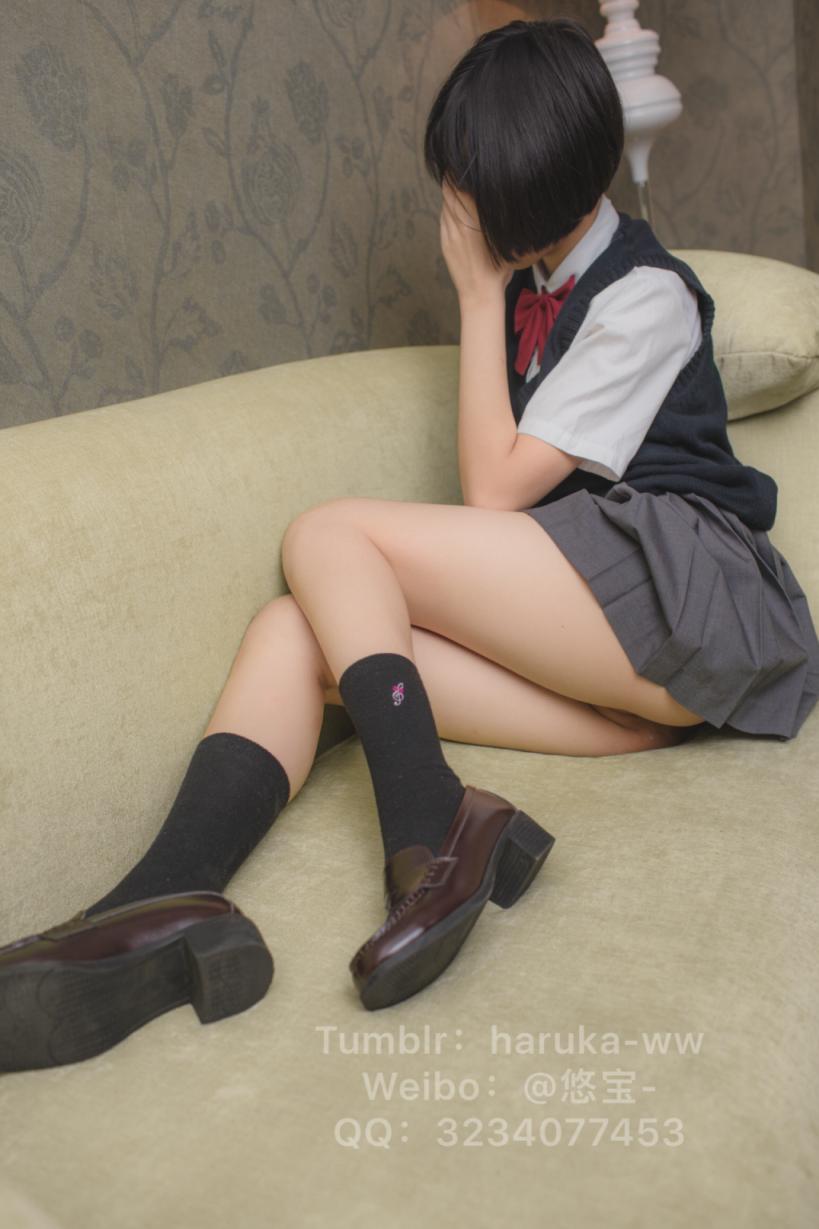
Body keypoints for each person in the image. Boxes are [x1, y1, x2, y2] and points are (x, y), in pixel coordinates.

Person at [2, 17, 818, 1069]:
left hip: (693, 596)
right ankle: (164, 902)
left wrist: (476, 294)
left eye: (477, 185)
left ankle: (428, 822)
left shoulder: (646, 295)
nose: (459, 205)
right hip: (622, 682)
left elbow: (493, 493)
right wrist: (498, 296)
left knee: (328, 532)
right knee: (294, 630)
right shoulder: (537, 286)